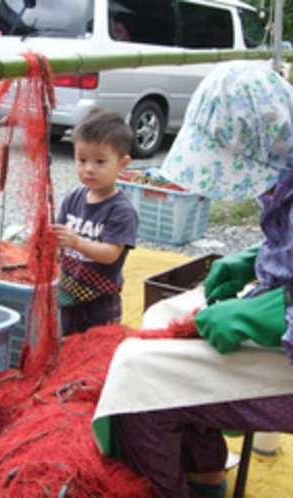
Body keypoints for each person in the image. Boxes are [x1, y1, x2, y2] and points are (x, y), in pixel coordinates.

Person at [91, 60, 293, 498]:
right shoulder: (286, 164)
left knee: (138, 381)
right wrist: (252, 258)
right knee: (164, 315)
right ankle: (205, 479)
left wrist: (268, 314)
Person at [52, 107, 139, 336]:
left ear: (123, 164)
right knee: (69, 344)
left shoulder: (121, 210)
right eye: (82, 160)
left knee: (98, 348)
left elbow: (111, 253)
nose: (89, 169)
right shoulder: (73, 198)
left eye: (100, 162)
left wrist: (76, 242)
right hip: (68, 293)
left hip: (101, 300)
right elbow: (58, 236)